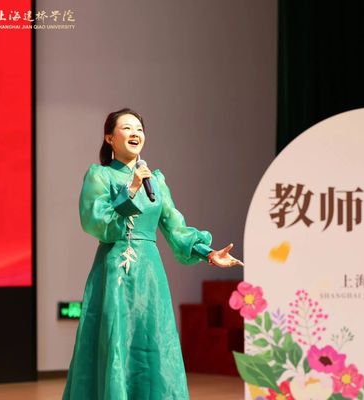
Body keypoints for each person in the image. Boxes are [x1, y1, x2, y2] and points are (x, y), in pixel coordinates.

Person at [62, 108, 243, 399]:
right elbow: (96, 221)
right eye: (126, 128)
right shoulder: (101, 175)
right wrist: (130, 191)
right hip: (114, 271)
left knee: (153, 343)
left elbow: (175, 226)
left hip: (149, 273)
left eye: (139, 129)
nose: (135, 133)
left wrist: (208, 253)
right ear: (109, 137)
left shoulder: (155, 181)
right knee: (115, 340)